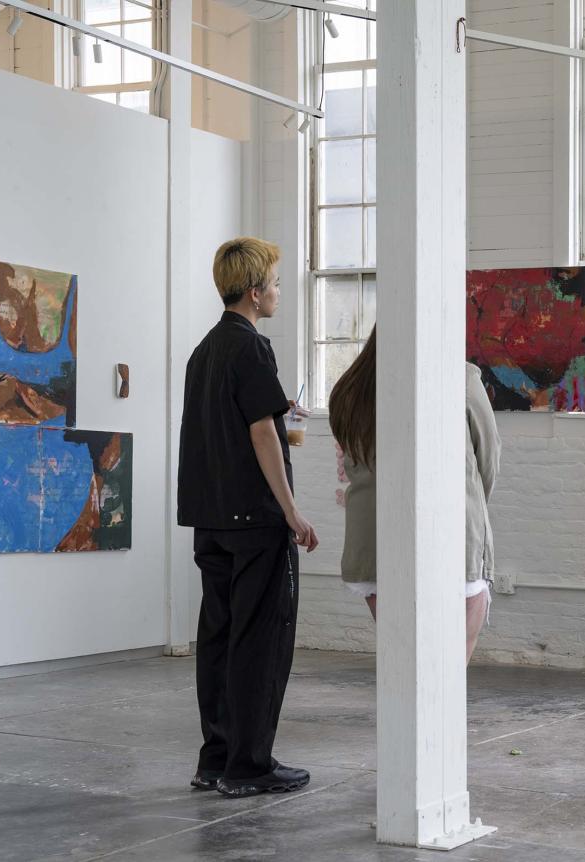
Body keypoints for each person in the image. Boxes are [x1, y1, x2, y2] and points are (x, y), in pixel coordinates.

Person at [177, 237, 320, 798]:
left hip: (210, 518)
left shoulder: (205, 349)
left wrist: (281, 406)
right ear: (256, 291)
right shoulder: (252, 346)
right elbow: (261, 435)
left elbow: (233, 417)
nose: (280, 293)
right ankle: (249, 765)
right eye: (278, 284)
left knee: (218, 636)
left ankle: (215, 759)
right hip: (255, 521)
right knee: (261, 641)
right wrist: (292, 512)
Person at [328, 328, 502, 662]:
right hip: (451, 532)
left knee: (406, 656)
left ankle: (403, 716)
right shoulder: (459, 377)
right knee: (451, 659)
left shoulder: (350, 388)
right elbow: (489, 457)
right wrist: (474, 504)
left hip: (374, 538)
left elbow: (352, 460)